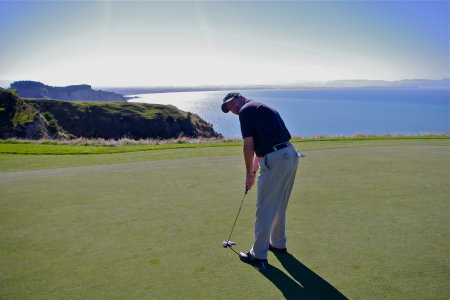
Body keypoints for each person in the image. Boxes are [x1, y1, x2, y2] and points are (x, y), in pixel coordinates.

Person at [221, 92, 300, 265]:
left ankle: (258, 254)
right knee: (279, 204)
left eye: (232, 103)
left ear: (240, 97)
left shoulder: (246, 111)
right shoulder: (261, 107)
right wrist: (254, 171)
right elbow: (262, 146)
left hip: (276, 159)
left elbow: (248, 146)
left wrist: (249, 173)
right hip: (290, 155)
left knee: (264, 208)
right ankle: (278, 244)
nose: (233, 109)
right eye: (229, 108)